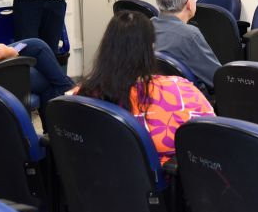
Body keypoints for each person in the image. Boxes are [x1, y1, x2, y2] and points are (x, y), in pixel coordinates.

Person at [77, 11, 214, 165]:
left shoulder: (82, 95)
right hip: (156, 185)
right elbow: (211, 139)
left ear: (107, 46)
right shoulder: (180, 94)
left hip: (96, 181)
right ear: (151, 47)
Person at [151, 0, 221, 90]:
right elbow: (217, 79)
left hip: (153, 96)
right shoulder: (190, 35)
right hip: (186, 100)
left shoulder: (146, 26)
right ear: (189, 4)